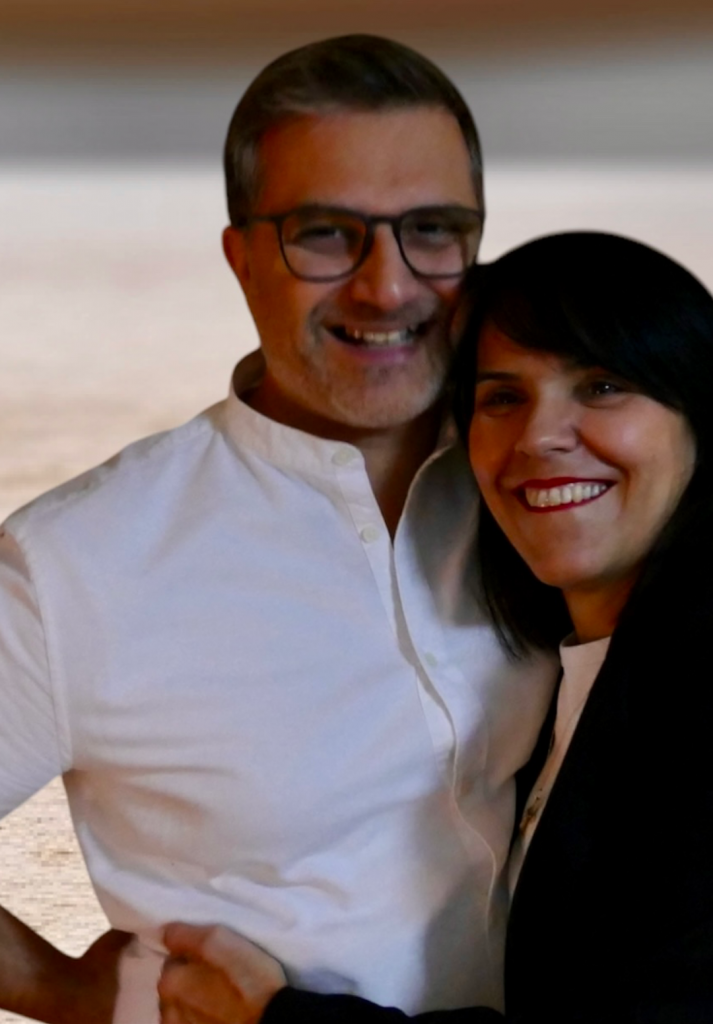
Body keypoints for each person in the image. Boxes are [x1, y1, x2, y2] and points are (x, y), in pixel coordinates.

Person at [0, 35, 556, 1024]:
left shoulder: (540, 486)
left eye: (431, 230)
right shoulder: (75, 563)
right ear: (242, 256)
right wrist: (71, 991)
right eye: (326, 234)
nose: (387, 286)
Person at [156, 231, 713, 1024]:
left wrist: (271, 1018)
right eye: (501, 398)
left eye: (601, 386)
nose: (538, 436)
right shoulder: (555, 680)